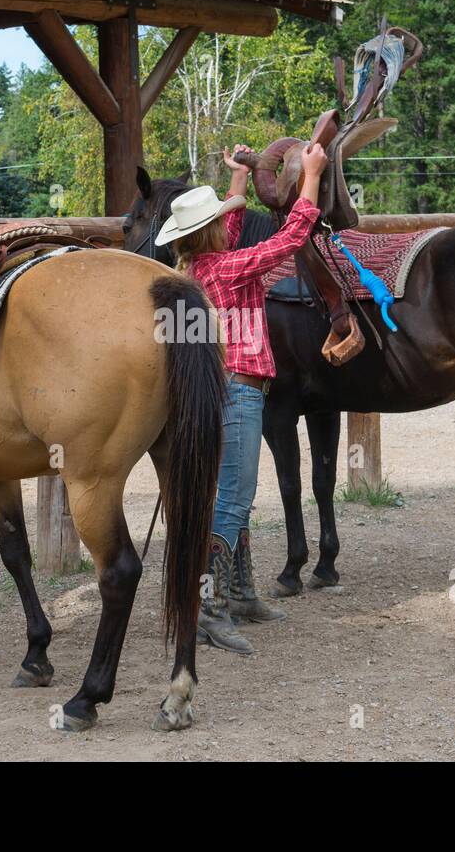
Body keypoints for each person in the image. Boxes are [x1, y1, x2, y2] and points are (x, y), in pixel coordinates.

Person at [154, 141, 329, 654]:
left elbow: (228, 232)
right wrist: (313, 175)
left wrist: (235, 181)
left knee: (229, 494)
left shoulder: (195, 270)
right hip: (240, 391)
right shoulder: (229, 270)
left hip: (217, 392)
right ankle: (208, 606)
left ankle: (239, 591)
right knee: (232, 498)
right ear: (208, 231)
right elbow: (292, 237)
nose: (229, 224)